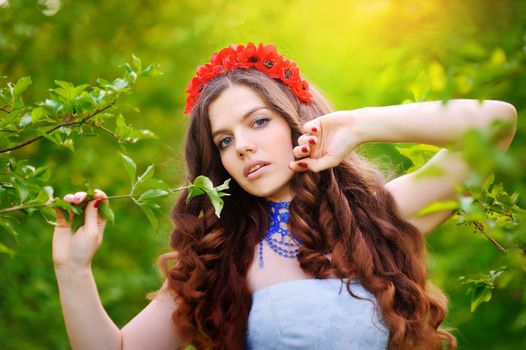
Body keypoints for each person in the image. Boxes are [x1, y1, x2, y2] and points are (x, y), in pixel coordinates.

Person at [52, 42, 517, 350]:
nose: (244, 146)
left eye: (258, 122)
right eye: (225, 140)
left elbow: (496, 124)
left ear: (296, 119)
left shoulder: (380, 216)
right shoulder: (219, 258)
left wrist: (359, 125)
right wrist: (72, 270)